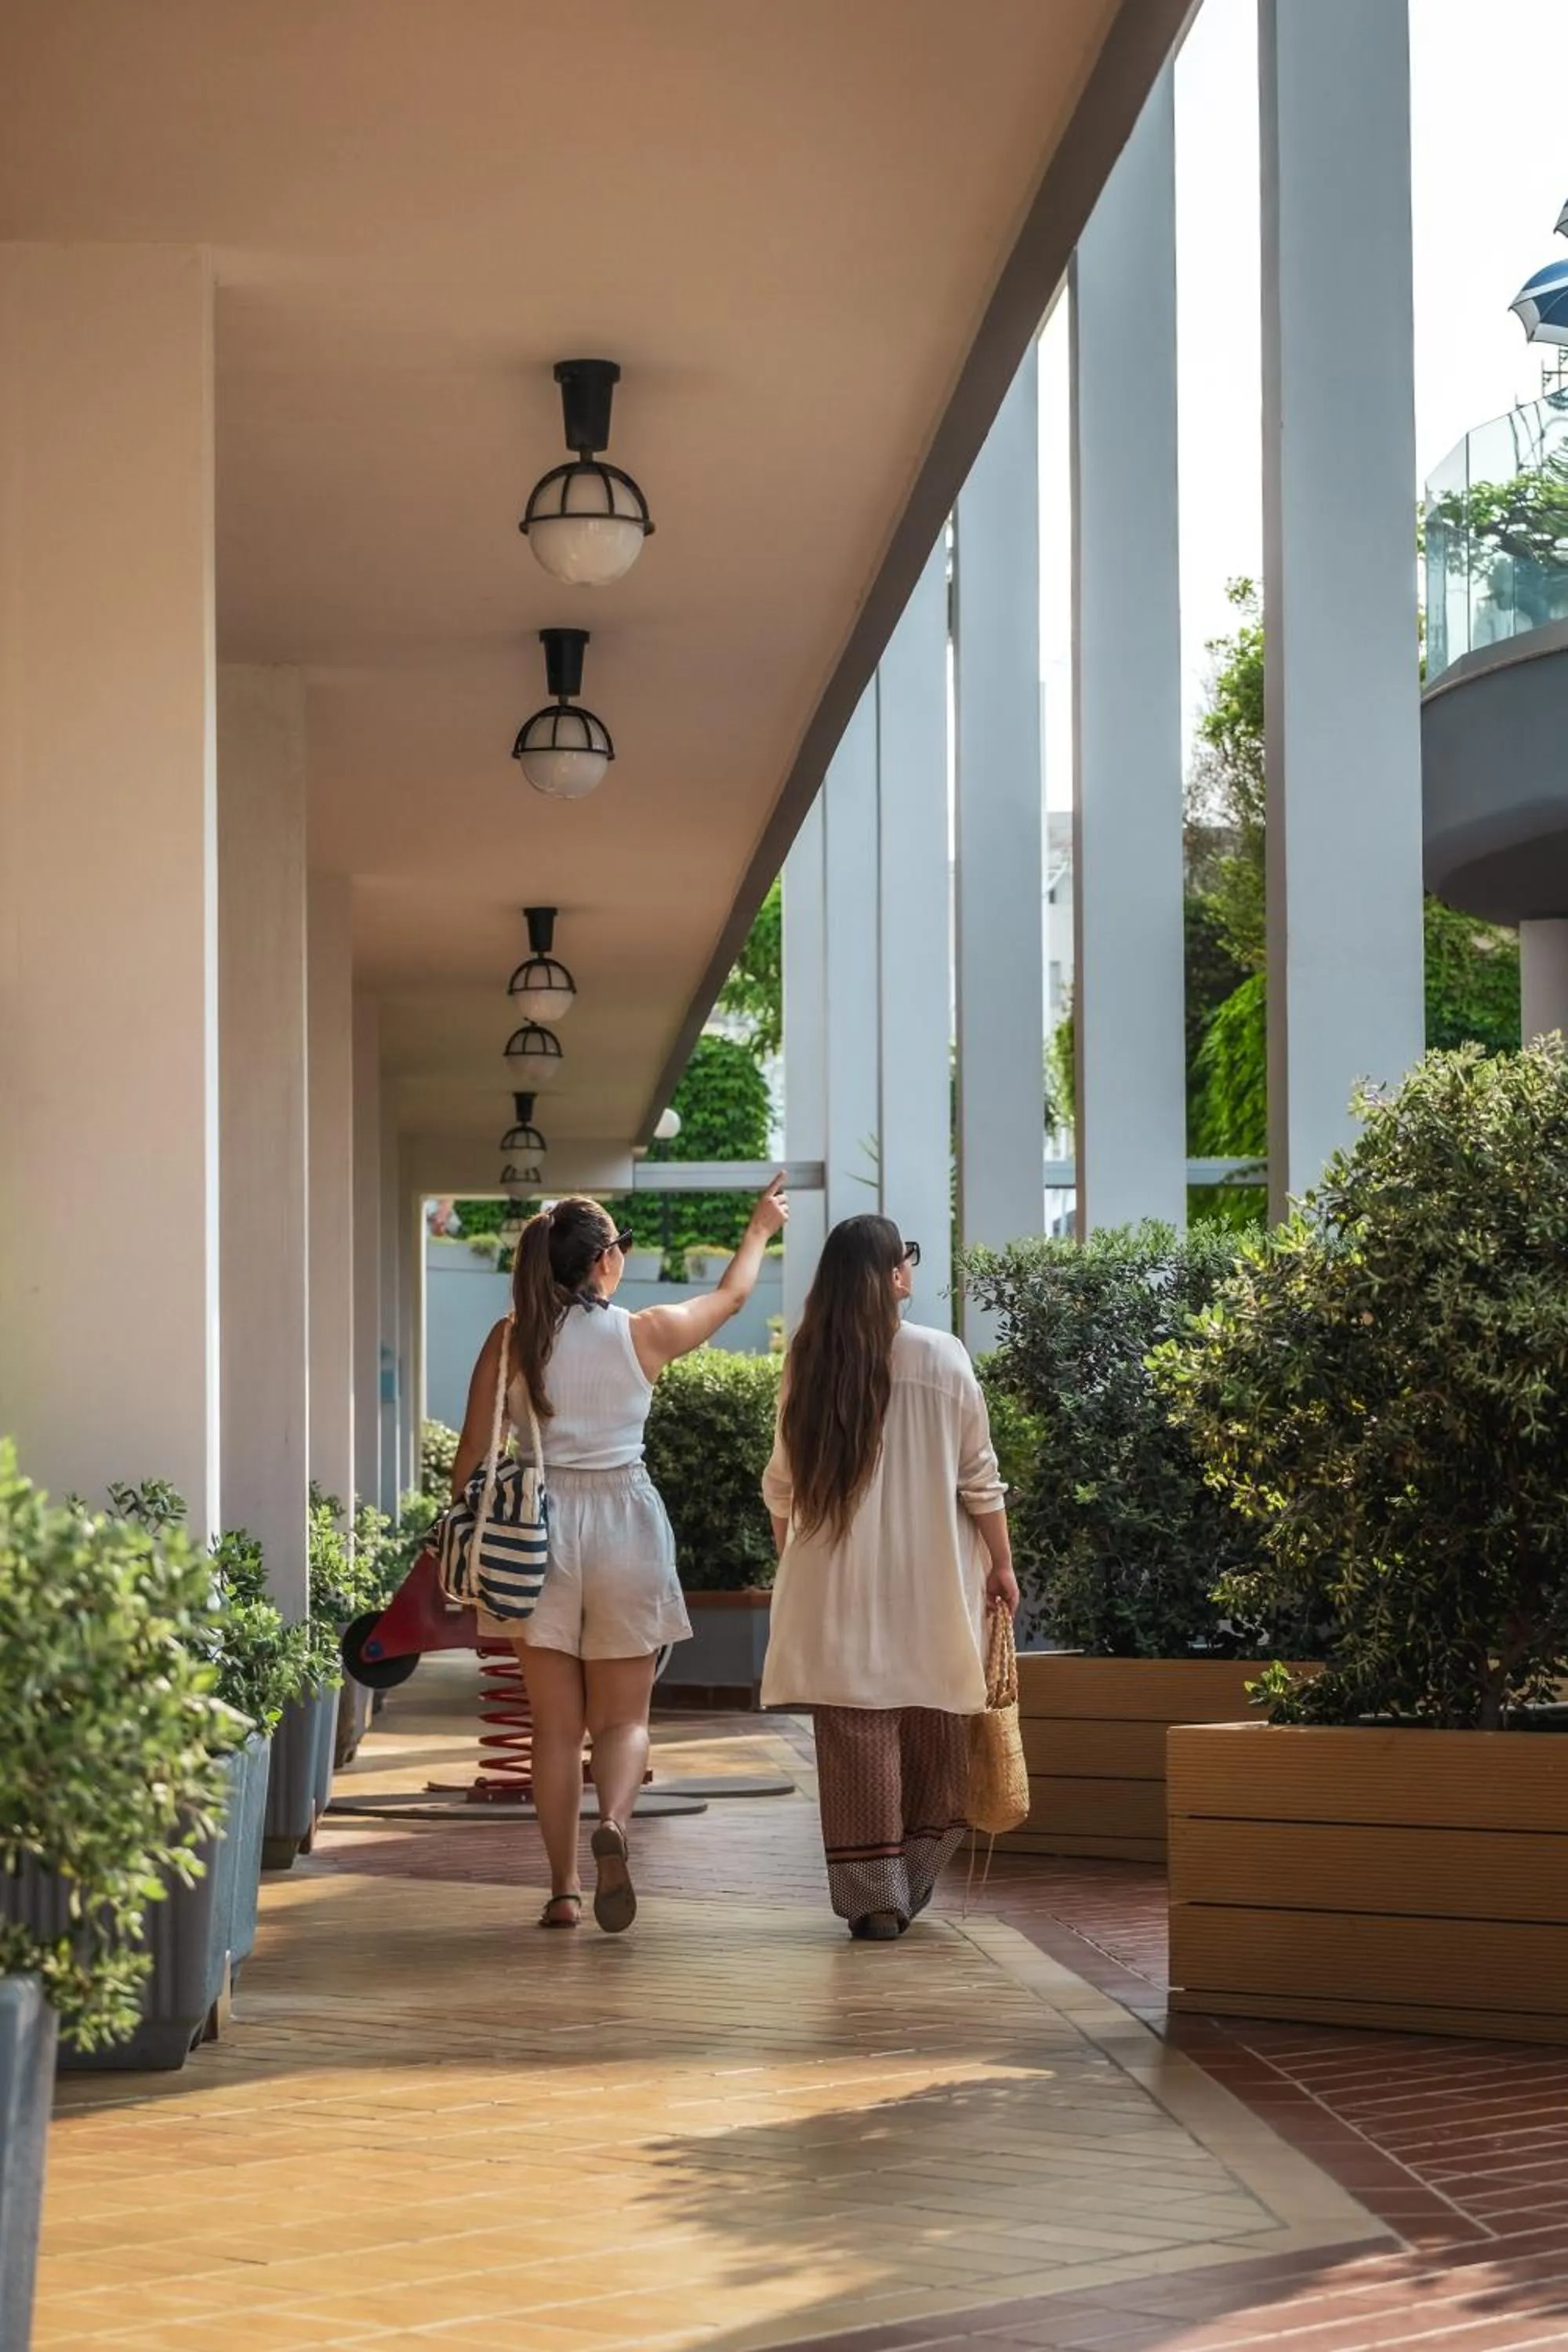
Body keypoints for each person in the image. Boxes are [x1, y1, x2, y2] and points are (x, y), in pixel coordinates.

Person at [452, 1178, 789, 1932]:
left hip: (538, 1529)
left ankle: (565, 1889)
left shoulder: (510, 1340)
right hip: (626, 1523)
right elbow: (731, 1298)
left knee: (555, 1729)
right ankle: (617, 1824)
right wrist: (760, 1229)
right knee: (625, 1720)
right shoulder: (645, 1332)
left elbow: (473, 1458)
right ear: (604, 1260)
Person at [760, 1215, 1018, 1940]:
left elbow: (781, 1488)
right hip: (931, 1580)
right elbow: (981, 1481)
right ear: (893, 1276)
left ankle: (875, 1894)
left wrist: (796, 1563)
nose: (910, 1267)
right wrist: (1001, 1563)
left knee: (854, 1731)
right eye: (907, 1256)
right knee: (934, 1721)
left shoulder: (809, 1364)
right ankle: (911, 1872)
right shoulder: (944, 1357)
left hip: (833, 1584)